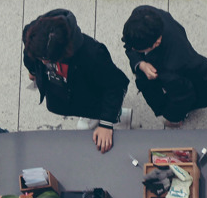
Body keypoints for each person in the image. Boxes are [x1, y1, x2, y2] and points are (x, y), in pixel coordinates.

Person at [22, 9, 130, 153]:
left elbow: (116, 85)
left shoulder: (93, 54)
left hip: (87, 94)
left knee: (97, 110)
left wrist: (106, 124)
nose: (42, 62)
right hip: (60, 91)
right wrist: (33, 70)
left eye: (45, 60)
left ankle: (118, 116)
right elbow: (30, 56)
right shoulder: (34, 36)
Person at [122, 5, 207, 128]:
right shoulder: (142, 16)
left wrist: (173, 117)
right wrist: (141, 64)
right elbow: (129, 45)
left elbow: (182, 97)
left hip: (186, 81)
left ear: (156, 43)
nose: (131, 49)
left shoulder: (172, 66)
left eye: (137, 50)